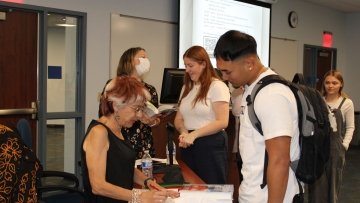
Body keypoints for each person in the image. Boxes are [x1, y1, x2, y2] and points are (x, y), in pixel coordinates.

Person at [214, 30, 301, 202]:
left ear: (249, 63)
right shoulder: (252, 88)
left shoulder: (272, 95)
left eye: (228, 72)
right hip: (253, 193)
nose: (224, 77)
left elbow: (280, 161)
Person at [81, 76, 179, 202]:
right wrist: (139, 197)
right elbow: (98, 186)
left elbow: (123, 166)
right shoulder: (99, 133)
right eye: (136, 109)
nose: (139, 115)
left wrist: (147, 181)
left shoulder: (119, 129)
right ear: (116, 106)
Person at [174, 45, 230, 184]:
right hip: (188, 143)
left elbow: (222, 121)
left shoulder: (217, 86)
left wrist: (194, 134)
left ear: (203, 64)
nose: (187, 70)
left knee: (212, 190)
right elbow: (178, 119)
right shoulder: (186, 87)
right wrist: (184, 131)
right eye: (185, 65)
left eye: (190, 65)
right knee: (192, 187)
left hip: (210, 144)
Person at [100, 47, 160, 159]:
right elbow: (105, 114)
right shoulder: (115, 84)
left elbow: (155, 119)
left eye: (147, 58)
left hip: (144, 145)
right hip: (120, 140)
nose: (146, 60)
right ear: (129, 61)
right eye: (142, 57)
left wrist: (151, 122)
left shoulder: (150, 89)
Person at [312, 70, 355, 203]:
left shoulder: (346, 103)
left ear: (341, 84)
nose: (330, 86)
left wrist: (344, 145)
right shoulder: (319, 101)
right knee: (317, 185)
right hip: (319, 148)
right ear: (323, 84)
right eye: (327, 83)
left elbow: (350, 127)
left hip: (336, 149)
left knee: (333, 185)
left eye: (334, 83)